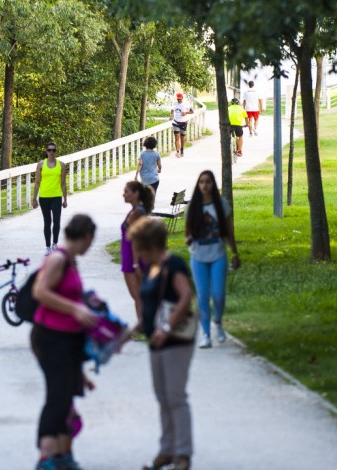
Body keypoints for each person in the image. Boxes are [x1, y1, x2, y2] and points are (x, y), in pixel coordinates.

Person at [31, 214, 98, 470]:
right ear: (86, 237)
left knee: (65, 397)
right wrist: (75, 309)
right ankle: (46, 457)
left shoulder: (69, 260)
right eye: (91, 241)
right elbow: (41, 292)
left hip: (66, 339)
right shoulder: (58, 258)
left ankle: (61, 455)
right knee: (58, 398)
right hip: (50, 336)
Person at [128, 217, 195, 470]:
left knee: (176, 397)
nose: (136, 252)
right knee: (163, 396)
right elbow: (150, 306)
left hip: (175, 340)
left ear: (150, 245)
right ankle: (166, 450)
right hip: (155, 340)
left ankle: (183, 454)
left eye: (138, 247)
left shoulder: (173, 264)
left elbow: (185, 297)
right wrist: (132, 330)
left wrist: (166, 328)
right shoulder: (152, 268)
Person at [184, 170, 240, 349]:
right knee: (202, 296)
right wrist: (189, 239)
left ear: (212, 184)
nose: (204, 185)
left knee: (218, 294)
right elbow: (188, 232)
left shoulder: (222, 205)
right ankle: (206, 333)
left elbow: (230, 231)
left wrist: (235, 253)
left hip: (218, 254)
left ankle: (218, 322)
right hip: (198, 256)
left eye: (208, 182)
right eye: (201, 182)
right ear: (198, 185)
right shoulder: (193, 206)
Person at [120, 181, 155, 327]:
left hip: (132, 259)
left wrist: (135, 263)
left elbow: (136, 239)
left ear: (136, 194)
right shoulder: (137, 211)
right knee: (140, 295)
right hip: (132, 257)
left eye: (127, 191)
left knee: (138, 296)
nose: (124, 194)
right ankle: (144, 325)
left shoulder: (136, 213)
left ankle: (144, 326)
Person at [33, 142, 68, 255]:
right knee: (47, 222)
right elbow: (37, 182)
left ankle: (55, 244)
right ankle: (48, 246)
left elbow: (63, 183)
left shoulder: (61, 165)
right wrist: (34, 198)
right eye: (49, 150)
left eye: (54, 150)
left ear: (56, 151)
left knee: (57, 221)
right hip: (44, 197)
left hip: (56, 196)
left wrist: (65, 199)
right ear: (46, 151)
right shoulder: (41, 164)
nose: (51, 152)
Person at [169, 92, 194, 158]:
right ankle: (177, 152)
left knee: (182, 138)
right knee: (177, 137)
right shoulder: (174, 104)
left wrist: (186, 113)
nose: (179, 100)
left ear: (182, 98)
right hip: (176, 122)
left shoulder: (186, 104)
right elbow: (172, 110)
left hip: (183, 122)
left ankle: (182, 149)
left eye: (180, 99)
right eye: (178, 99)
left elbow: (192, 111)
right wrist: (171, 116)